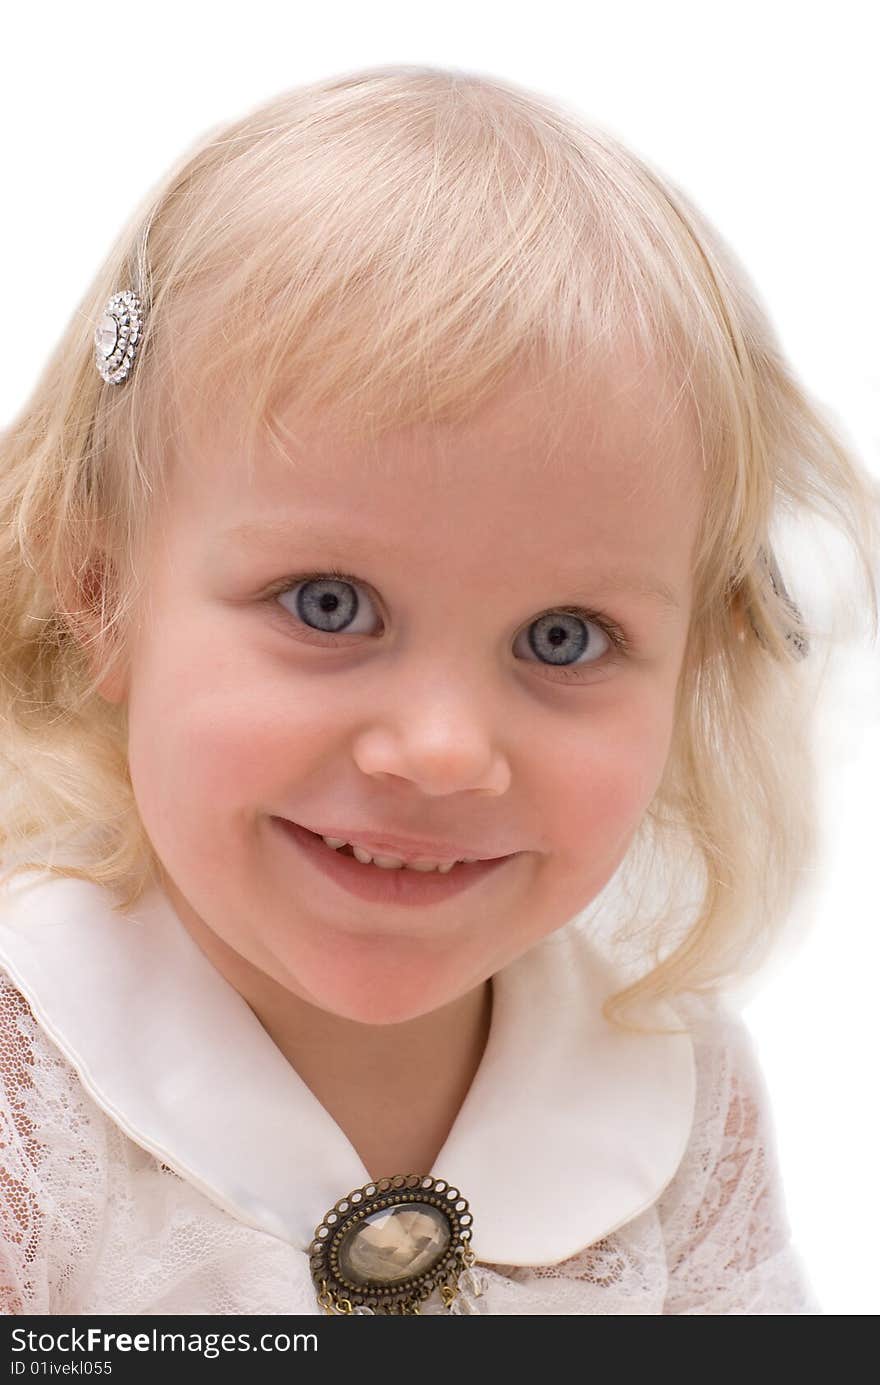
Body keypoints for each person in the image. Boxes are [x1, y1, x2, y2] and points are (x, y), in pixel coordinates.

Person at [0, 64, 875, 1317]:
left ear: (697, 663)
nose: (444, 748)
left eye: (563, 638)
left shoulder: (671, 1099)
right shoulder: (28, 1077)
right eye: (327, 605)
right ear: (100, 591)